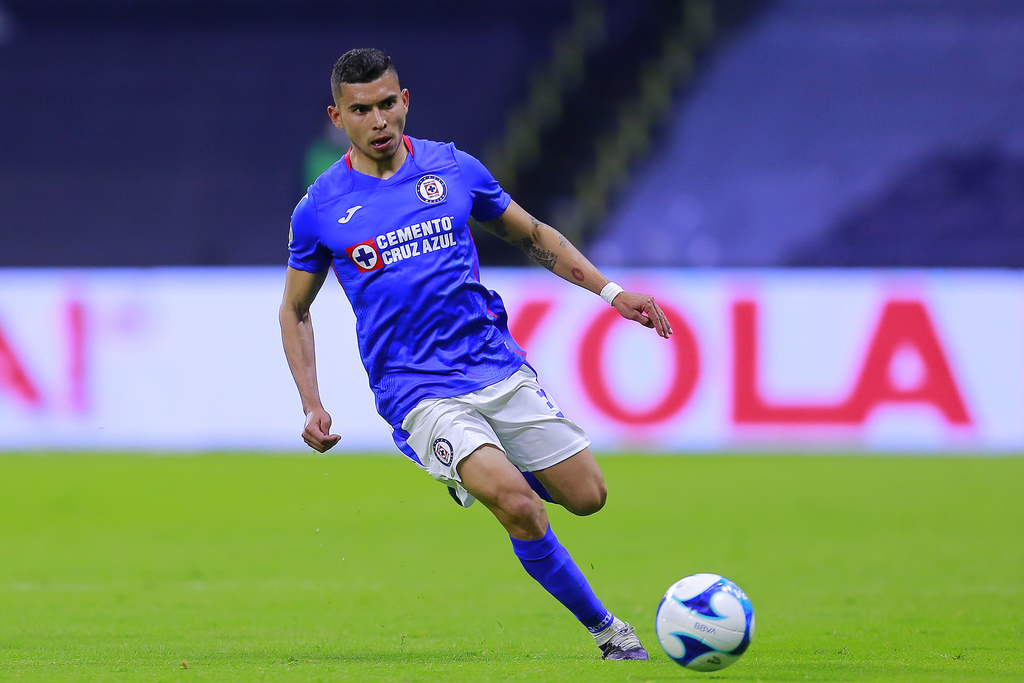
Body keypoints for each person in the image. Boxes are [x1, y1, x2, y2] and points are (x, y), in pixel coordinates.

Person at [280, 47, 673, 661]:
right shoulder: (320, 208)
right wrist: (312, 402)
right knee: (519, 506)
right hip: (415, 387)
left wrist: (611, 292)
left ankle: (483, 471)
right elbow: (295, 310)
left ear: (404, 100)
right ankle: (608, 631)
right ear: (338, 117)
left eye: (387, 104)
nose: (379, 120)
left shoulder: (453, 168)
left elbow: (533, 234)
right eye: (361, 110)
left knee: (587, 497)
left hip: (492, 363)